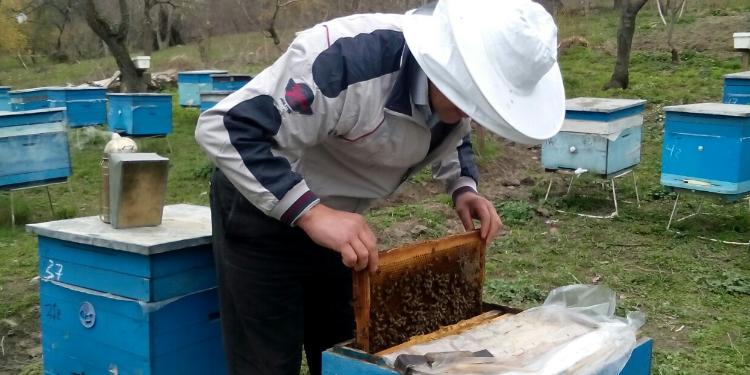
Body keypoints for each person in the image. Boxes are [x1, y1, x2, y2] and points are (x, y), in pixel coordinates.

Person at [195, 0, 565, 374]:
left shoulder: (453, 100)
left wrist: (463, 186)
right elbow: (227, 127)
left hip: (341, 225)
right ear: (448, 63)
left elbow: (454, 132)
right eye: (472, 100)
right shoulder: (342, 58)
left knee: (344, 352)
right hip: (261, 207)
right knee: (267, 361)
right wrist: (311, 212)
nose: (472, 114)